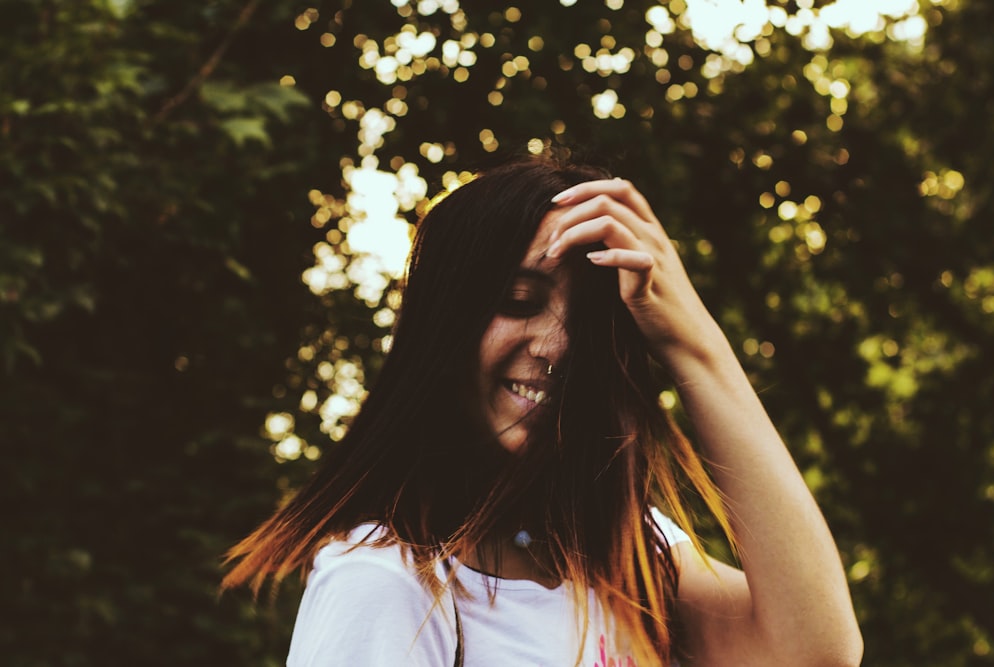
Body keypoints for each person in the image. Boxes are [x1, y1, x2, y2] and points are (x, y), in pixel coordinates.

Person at [222, 156, 863, 666]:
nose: (558, 344)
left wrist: (692, 343)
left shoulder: (629, 552)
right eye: (520, 300)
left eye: (590, 321)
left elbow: (814, 653)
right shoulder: (388, 588)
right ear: (442, 332)